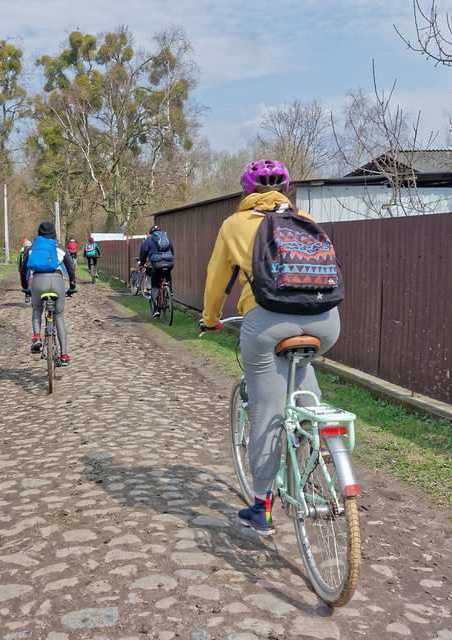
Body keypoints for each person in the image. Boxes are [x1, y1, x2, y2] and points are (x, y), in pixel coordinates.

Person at [199, 159, 341, 536]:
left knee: (266, 411)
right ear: (285, 190)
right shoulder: (305, 218)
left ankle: (262, 506)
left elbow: (216, 279)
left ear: (247, 192)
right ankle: (315, 441)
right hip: (326, 321)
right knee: (303, 379)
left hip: (267, 321)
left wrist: (209, 318)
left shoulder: (234, 224)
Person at [19, 222, 77, 366]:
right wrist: (72, 286)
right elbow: (70, 269)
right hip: (57, 282)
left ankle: (37, 337)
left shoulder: (32, 248)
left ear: (39, 233)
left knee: (37, 309)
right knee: (58, 316)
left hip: (38, 282)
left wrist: (26, 287)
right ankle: (64, 355)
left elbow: (22, 270)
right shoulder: (59, 248)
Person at [139, 225, 175, 318]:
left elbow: (143, 252)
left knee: (155, 284)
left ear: (151, 233)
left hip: (157, 263)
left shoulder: (148, 240)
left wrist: (142, 264)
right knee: (167, 274)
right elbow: (172, 250)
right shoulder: (166, 238)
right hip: (169, 262)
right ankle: (169, 290)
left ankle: (156, 310)